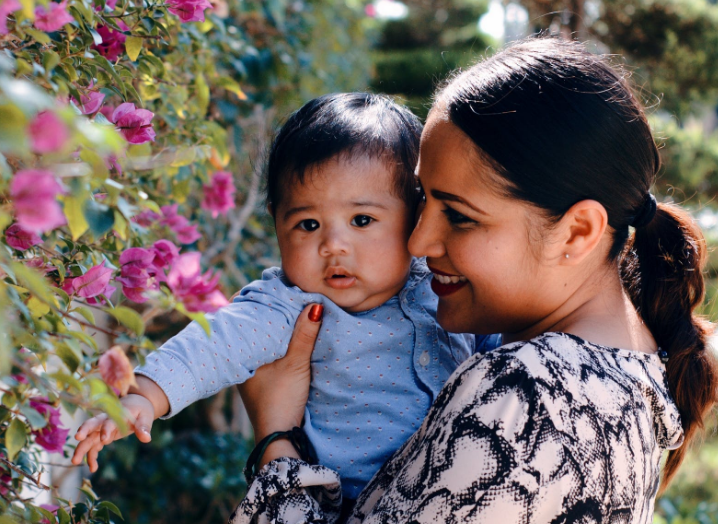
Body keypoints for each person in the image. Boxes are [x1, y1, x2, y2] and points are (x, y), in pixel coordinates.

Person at [229, 37, 718, 524]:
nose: (418, 243)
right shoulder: (634, 370)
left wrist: (277, 439)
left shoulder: (524, 397)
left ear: (577, 231)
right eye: (423, 201)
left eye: (459, 217)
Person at [71, 92, 498, 500]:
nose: (334, 244)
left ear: (415, 217)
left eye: (362, 220)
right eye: (308, 225)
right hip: (340, 500)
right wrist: (145, 394)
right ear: (278, 224)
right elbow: (214, 344)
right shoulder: (288, 305)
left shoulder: (440, 283)